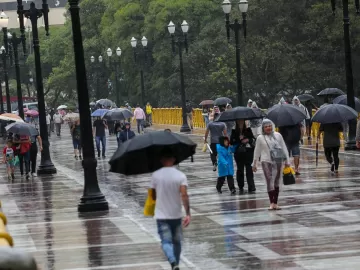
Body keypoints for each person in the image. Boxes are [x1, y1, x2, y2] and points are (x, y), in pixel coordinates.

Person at [150, 147, 191, 270]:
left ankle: (173, 262)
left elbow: (152, 196)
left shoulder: (155, 175)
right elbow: (184, 195)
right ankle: (176, 264)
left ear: (162, 160)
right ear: (173, 159)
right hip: (176, 215)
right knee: (177, 241)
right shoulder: (180, 176)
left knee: (166, 242)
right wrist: (188, 213)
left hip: (161, 215)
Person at [252, 119, 290, 210]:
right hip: (266, 160)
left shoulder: (278, 135)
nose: (268, 128)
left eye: (269, 126)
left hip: (278, 160)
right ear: (263, 128)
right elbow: (257, 151)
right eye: (266, 127)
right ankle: (271, 202)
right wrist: (254, 163)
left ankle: (276, 202)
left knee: (277, 180)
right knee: (269, 180)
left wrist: (287, 161)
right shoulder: (260, 138)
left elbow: (284, 148)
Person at [230, 119, 256, 194]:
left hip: (248, 152)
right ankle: (241, 185)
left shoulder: (248, 130)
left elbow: (253, 139)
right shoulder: (234, 131)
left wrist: (247, 139)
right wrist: (239, 139)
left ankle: (251, 186)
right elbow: (231, 141)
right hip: (239, 153)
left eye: (242, 121)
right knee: (240, 169)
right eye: (239, 121)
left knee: (249, 169)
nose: (240, 122)